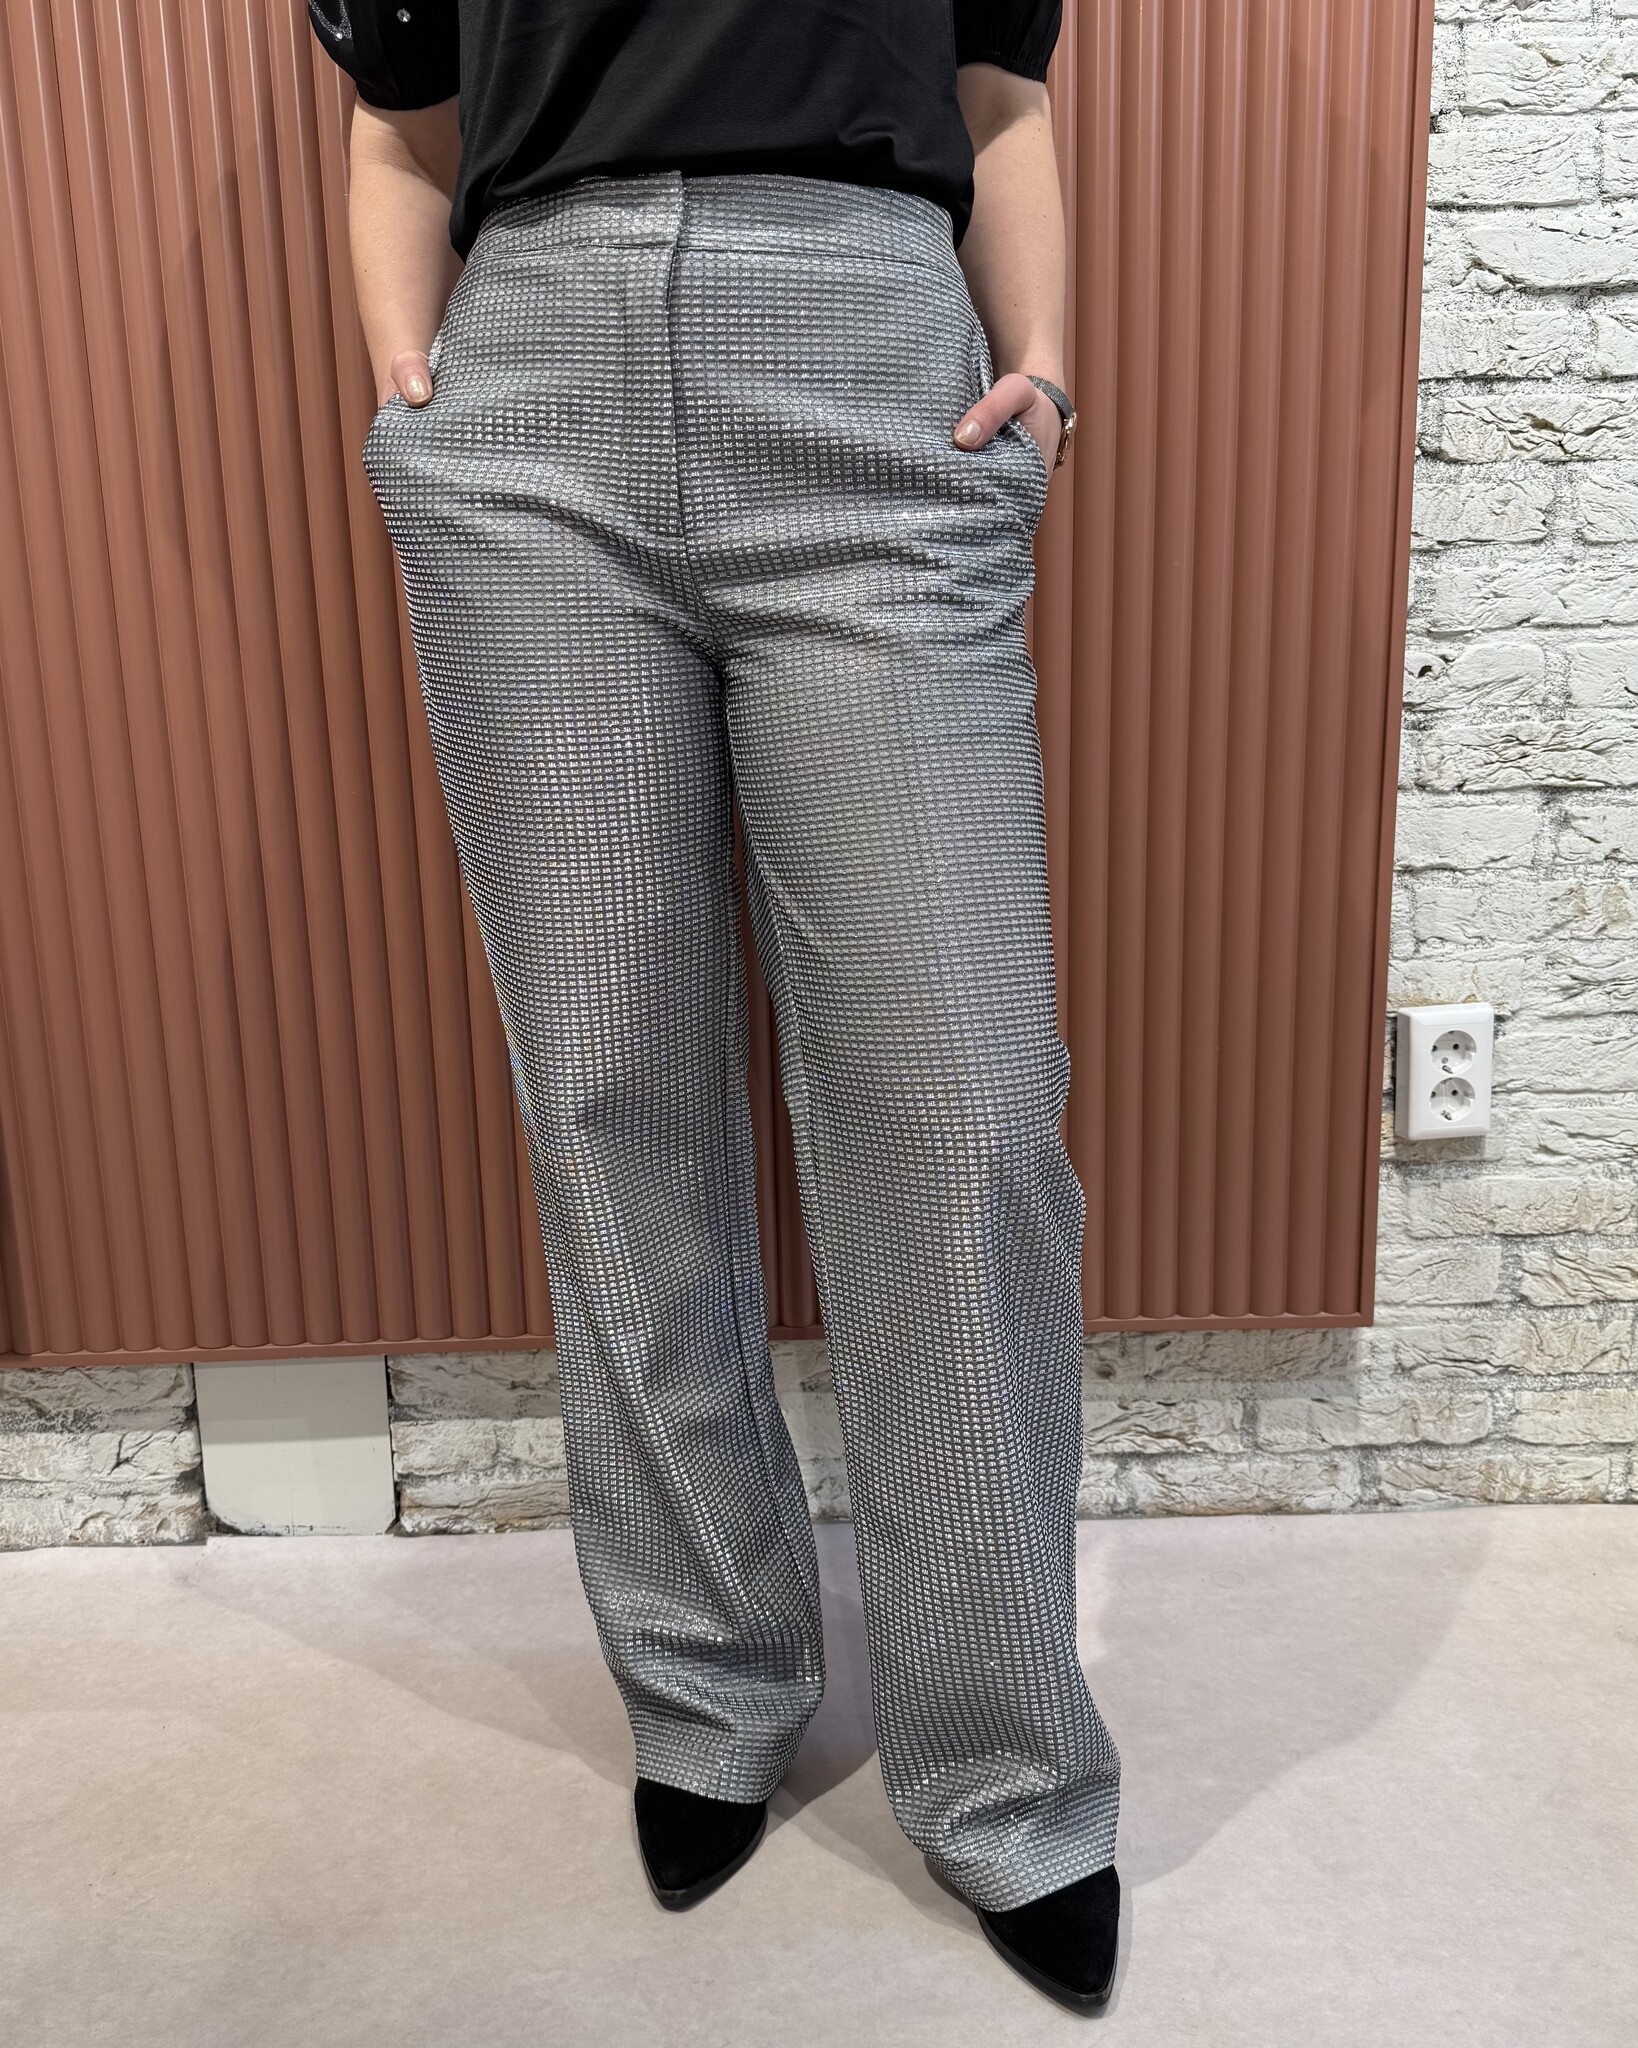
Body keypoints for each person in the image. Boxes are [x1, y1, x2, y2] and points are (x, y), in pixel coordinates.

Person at [307, 0, 1120, 2012]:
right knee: (612, 1088)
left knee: (961, 1103)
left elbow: (1000, 93)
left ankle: (1004, 1766)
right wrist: (411, 393)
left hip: (867, 359)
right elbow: (403, 120)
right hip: (533, 396)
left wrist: (1041, 369)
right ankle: (708, 1687)